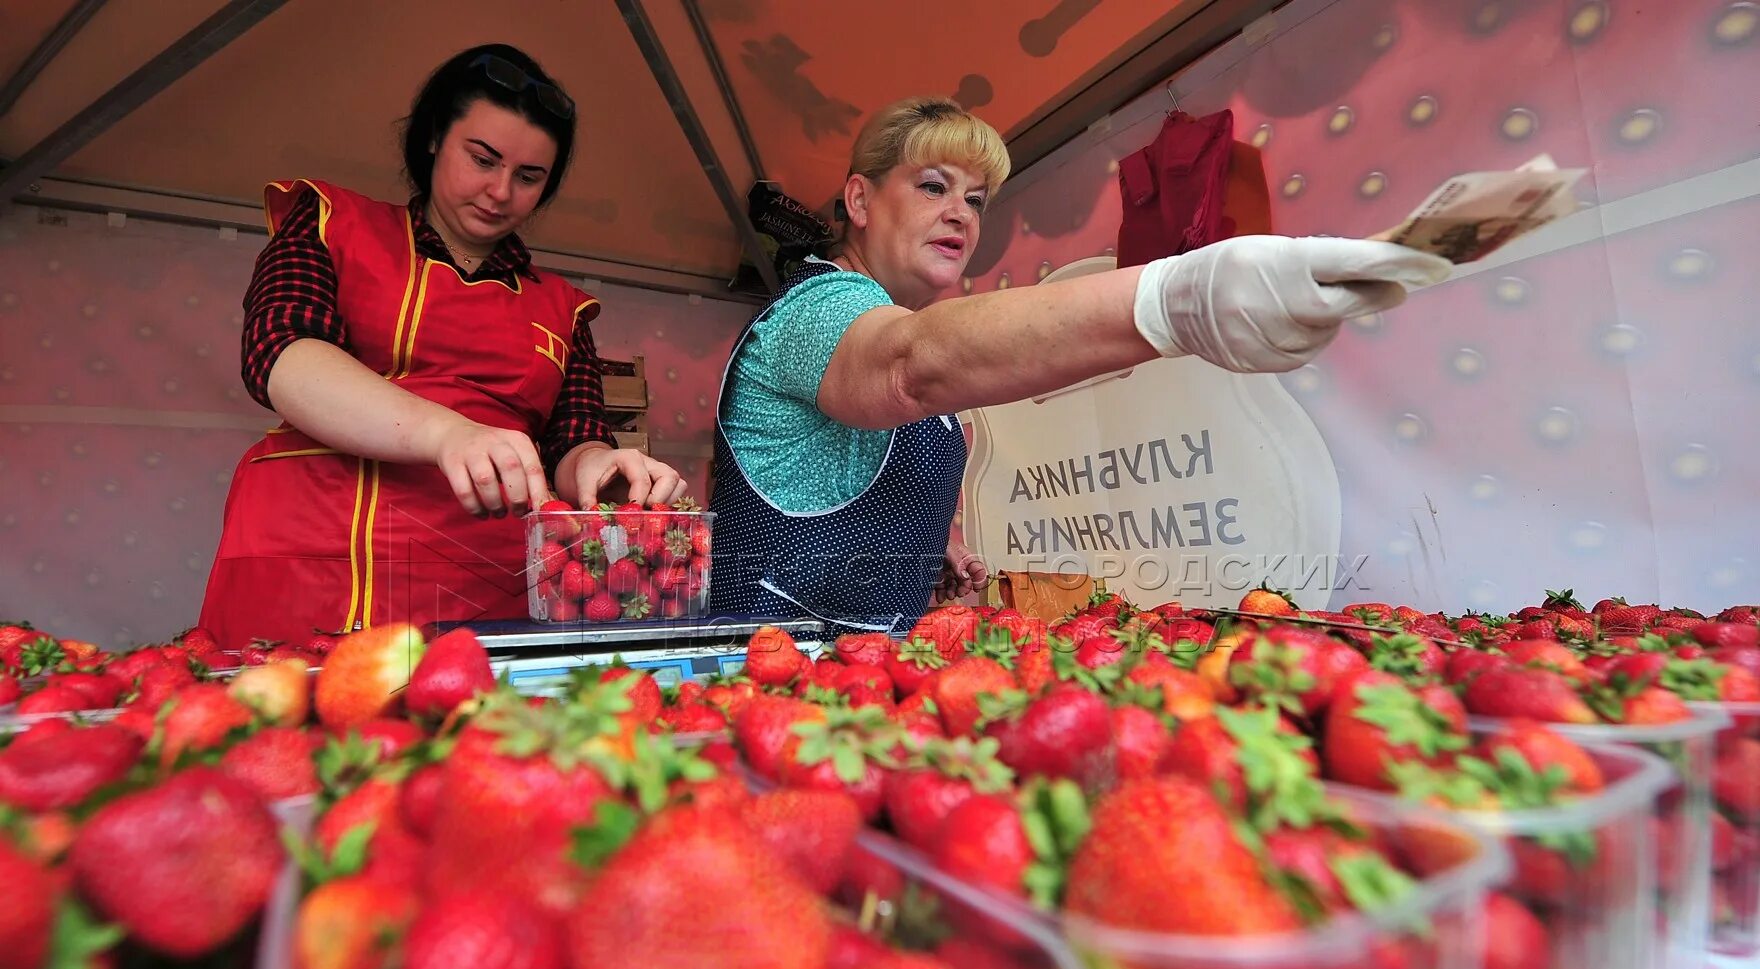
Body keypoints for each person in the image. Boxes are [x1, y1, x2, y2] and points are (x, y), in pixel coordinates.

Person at [708, 97, 1451, 636]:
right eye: (932, 186)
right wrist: (1179, 299)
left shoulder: (893, 325)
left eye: (976, 198)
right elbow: (907, 366)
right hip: (764, 682)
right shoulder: (816, 309)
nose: (963, 214)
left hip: (874, 688)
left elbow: (843, 469)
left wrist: (935, 544)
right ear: (860, 200)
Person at [199, 44, 686, 648]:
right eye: (482, 159)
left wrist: (601, 469)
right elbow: (280, 352)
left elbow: (572, 438)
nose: (500, 191)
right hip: (311, 553)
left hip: (476, 585)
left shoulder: (565, 309)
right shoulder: (328, 222)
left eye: (529, 177)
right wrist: (449, 434)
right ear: (433, 137)